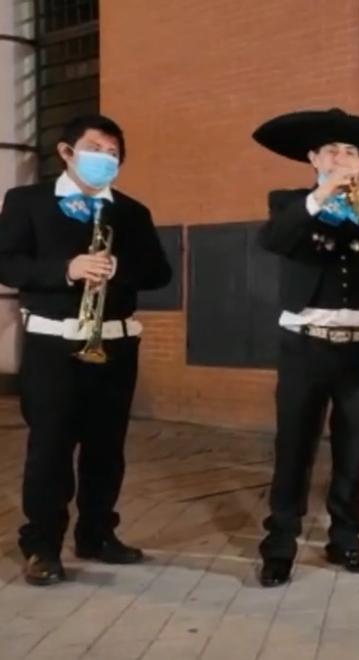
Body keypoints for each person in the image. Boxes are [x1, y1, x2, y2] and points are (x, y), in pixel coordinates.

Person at [0, 114, 172, 585]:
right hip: (53, 344)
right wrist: (68, 268)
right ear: (67, 152)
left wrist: (119, 268)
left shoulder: (131, 211)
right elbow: (8, 264)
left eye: (114, 152)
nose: (106, 158)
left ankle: (97, 533)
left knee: (106, 448)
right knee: (50, 448)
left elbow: (160, 273)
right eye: (96, 148)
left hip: (115, 345)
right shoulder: (27, 202)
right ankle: (43, 545)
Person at [251, 108, 359, 587]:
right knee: (294, 448)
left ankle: (346, 538)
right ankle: (279, 545)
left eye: (350, 152)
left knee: (352, 450)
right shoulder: (290, 201)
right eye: (332, 151)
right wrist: (323, 194)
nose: (342, 158)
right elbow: (274, 239)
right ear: (313, 158)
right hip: (305, 346)